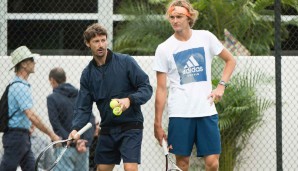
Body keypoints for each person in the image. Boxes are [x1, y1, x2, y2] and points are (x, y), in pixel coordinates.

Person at [153, 1, 236, 171]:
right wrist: (157, 123)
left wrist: (221, 87)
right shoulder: (163, 49)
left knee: (213, 162)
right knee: (182, 164)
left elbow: (230, 60)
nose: (175, 20)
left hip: (206, 110)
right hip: (179, 114)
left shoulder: (205, 37)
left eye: (179, 16)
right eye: (172, 17)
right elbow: (161, 89)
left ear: (189, 17)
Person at [67, 23, 152, 171]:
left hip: (131, 127)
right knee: (102, 169)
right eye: (96, 41)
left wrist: (129, 100)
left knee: (130, 168)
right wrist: (75, 129)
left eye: (103, 40)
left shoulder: (126, 62)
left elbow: (146, 88)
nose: (101, 45)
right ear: (88, 44)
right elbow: (83, 107)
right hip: (107, 129)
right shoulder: (87, 74)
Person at [0, 46, 60, 171]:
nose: (34, 62)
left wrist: (28, 125)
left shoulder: (19, 85)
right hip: (16, 137)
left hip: (21, 136)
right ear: (23, 64)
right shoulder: (20, 87)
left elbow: (26, 115)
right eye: (31, 60)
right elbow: (31, 115)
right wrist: (51, 134)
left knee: (31, 168)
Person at [47, 67, 95, 171]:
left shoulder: (52, 98)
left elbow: (56, 125)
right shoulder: (79, 95)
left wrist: (73, 141)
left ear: (52, 80)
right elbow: (91, 119)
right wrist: (84, 141)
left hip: (64, 147)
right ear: (65, 78)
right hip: (82, 147)